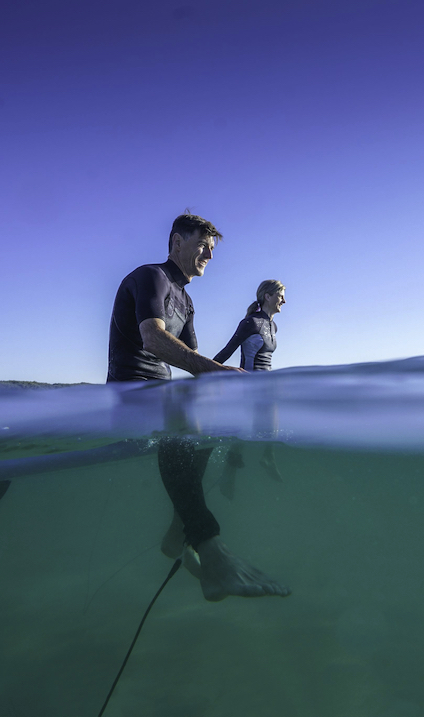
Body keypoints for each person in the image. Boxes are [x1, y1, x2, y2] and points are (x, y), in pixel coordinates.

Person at [106, 213, 290, 601]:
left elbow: (194, 362)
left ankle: (180, 531)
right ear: (176, 242)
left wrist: (229, 383)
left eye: (212, 247)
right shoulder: (151, 277)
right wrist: (218, 372)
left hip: (164, 396)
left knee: (212, 426)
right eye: (202, 244)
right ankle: (210, 547)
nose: (209, 253)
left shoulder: (187, 302)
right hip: (130, 392)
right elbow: (153, 340)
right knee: (180, 426)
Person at [212, 280, 287, 498]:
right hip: (249, 386)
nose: (284, 300)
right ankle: (256, 462)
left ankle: (257, 461)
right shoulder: (250, 322)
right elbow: (226, 352)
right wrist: (202, 374)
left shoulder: (273, 326)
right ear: (268, 296)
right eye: (281, 295)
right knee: (246, 434)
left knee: (251, 434)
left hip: (267, 385)